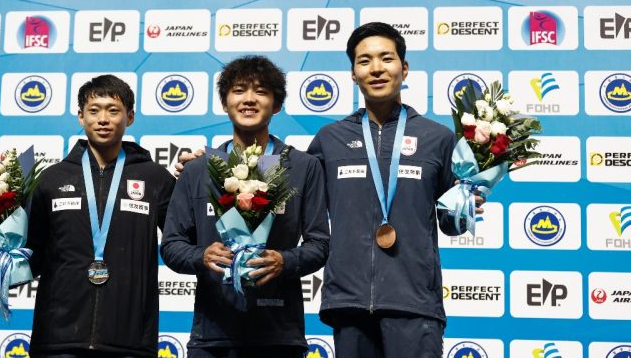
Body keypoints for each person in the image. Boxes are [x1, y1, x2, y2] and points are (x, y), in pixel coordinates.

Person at [305, 22, 483, 357]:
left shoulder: (438, 138)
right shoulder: (329, 139)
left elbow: (450, 223)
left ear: (404, 68)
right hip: (349, 302)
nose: (376, 68)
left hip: (414, 303)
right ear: (353, 74)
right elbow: (289, 187)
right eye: (364, 60)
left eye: (386, 58)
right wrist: (205, 163)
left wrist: (464, 209)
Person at [0, 75, 176, 357]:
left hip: (130, 339)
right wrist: (8, 265)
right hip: (58, 338)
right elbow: (34, 252)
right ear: (80, 116)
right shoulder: (50, 180)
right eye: (94, 110)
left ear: (130, 117)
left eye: (113, 110)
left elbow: (181, 243)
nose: (103, 119)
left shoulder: (155, 179)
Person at [161, 56, 330, 358]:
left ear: (277, 105)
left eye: (261, 91)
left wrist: (285, 261)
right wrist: (202, 256)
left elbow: (320, 245)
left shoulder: (303, 167)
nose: (249, 99)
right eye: (239, 90)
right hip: (212, 335)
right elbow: (172, 244)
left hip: (279, 335)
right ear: (224, 103)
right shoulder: (200, 169)